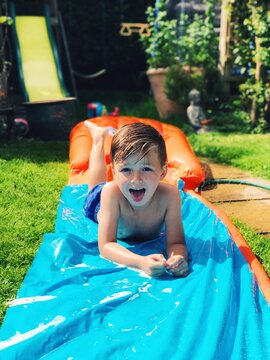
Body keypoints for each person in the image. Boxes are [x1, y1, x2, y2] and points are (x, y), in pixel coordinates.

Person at [83, 120, 189, 278]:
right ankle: (98, 139)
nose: (136, 179)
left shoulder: (170, 196)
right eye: (126, 169)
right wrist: (140, 262)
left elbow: (176, 243)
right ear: (114, 171)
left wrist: (179, 258)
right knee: (96, 188)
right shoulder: (111, 193)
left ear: (162, 171)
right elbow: (106, 245)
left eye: (146, 168)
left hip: (122, 193)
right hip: (103, 205)